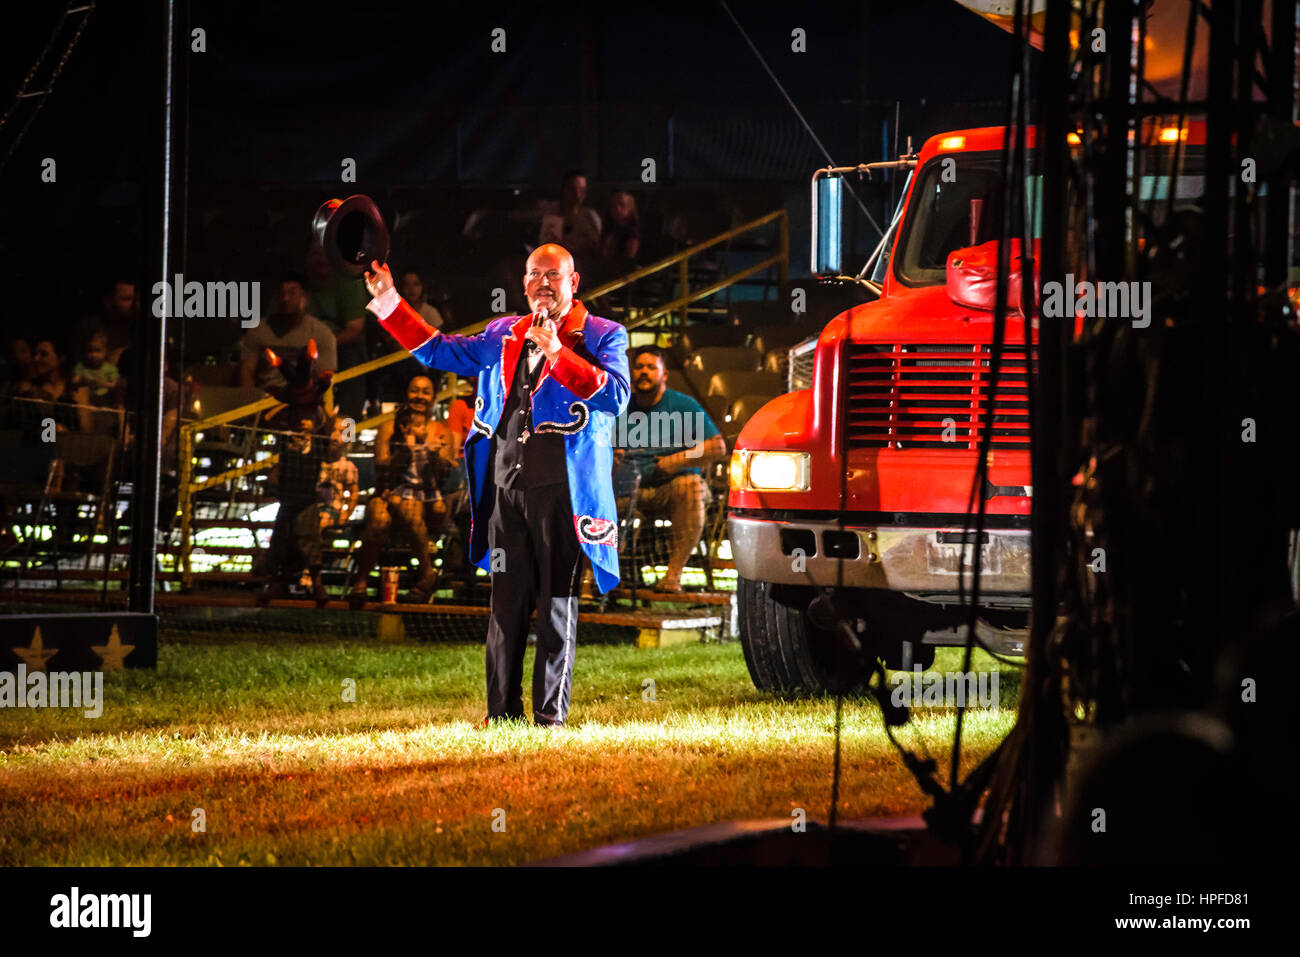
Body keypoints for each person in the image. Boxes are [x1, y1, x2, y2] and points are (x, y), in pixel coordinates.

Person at [363, 242, 629, 727]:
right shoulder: (503, 332)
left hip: (565, 489)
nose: (542, 283)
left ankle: (550, 717)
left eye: (554, 275)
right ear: (523, 283)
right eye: (534, 274)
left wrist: (556, 352)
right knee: (505, 606)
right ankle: (501, 714)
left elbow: (615, 396)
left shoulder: (603, 334)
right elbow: (441, 350)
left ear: (574, 282)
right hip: (507, 484)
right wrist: (389, 300)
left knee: (556, 603)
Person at [613, 345, 727, 592]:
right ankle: (595, 580)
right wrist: (611, 456)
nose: (644, 372)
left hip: (671, 486)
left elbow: (716, 447)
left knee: (692, 487)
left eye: (651, 367)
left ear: (664, 374)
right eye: (639, 367)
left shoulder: (682, 405)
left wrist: (679, 459)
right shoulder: (620, 406)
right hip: (625, 488)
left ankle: (672, 576)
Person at [259, 411, 331, 606]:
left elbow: (328, 426)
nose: (303, 421)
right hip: (288, 502)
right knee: (280, 542)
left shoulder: (317, 445)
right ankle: (273, 582)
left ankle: (317, 584)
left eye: (308, 417)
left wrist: (317, 407)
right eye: (299, 418)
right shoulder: (284, 442)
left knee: (310, 542)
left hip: (307, 501)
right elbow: (268, 419)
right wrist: (292, 406)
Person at [239, 272, 338, 390]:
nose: (285, 298)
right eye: (281, 294)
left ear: (304, 297)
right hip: (266, 399)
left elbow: (325, 378)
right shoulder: (258, 330)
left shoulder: (322, 334)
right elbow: (246, 372)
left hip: (305, 400)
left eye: (292, 293)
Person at [538, 171, 602, 263]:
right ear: (564, 190)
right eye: (572, 190)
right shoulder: (552, 215)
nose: (577, 195)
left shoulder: (591, 217)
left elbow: (598, 247)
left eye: (582, 190)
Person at [318, 416, 359, 531]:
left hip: (333, 509)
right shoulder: (317, 462)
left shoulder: (347, 466)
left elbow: (354, 492)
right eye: (332, 431)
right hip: (313, 508)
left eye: (341, 433)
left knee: (323, 520)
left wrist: (346, 513)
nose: (335, 436)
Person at [73, 331, 122, 407]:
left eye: (98, 351)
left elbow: (115, 384)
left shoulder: (110, 368)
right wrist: (82, 379)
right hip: (85, 402)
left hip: (105, 401)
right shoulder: (82, 366)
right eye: (90, 350)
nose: (93, 355)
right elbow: (75, 380)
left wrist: (104, 384)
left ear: (106, 351)